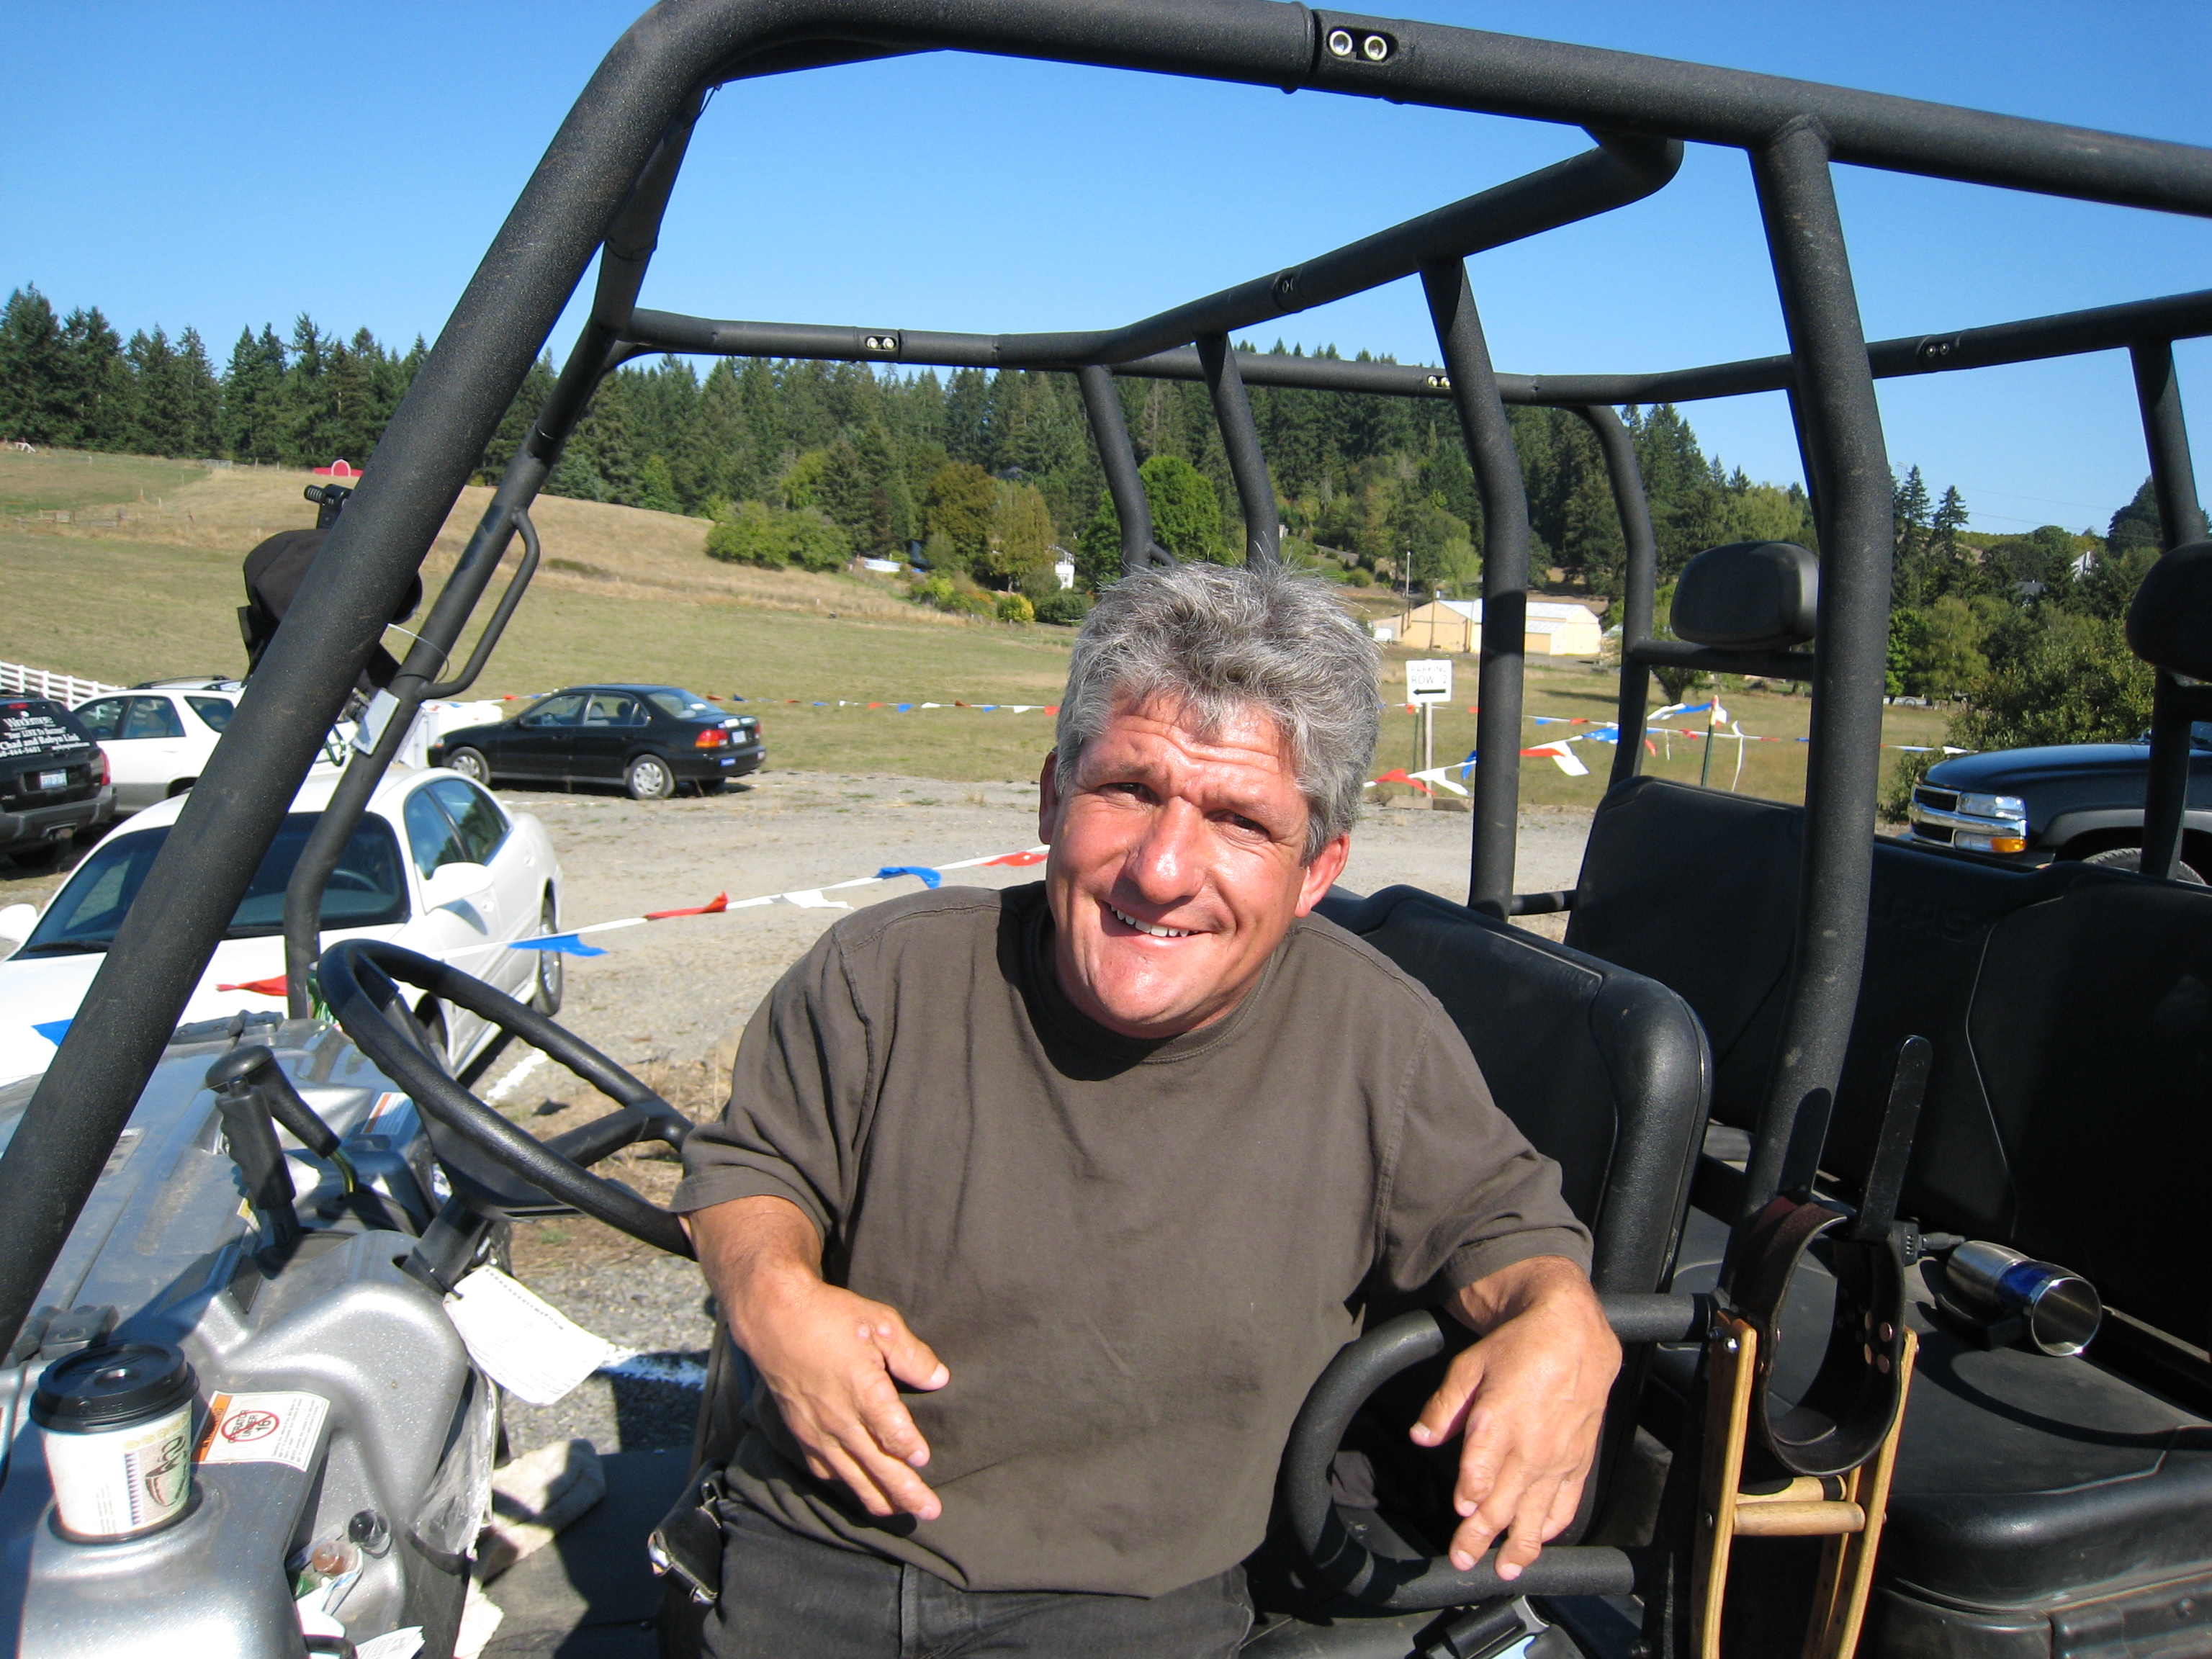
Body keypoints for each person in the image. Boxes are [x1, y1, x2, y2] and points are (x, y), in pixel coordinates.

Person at [673, 562, 1620, 1658]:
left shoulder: (1379, 1043)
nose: (1163, 870)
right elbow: (752, 1168)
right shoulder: (882, 975)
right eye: (1128, 790)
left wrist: (1562, 1320)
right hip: (812, 1548)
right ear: (1051, 797)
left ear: (1317, 871)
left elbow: (1507, 1232)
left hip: (1134, 1604)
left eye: (1241, 820)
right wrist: (771, 1289)